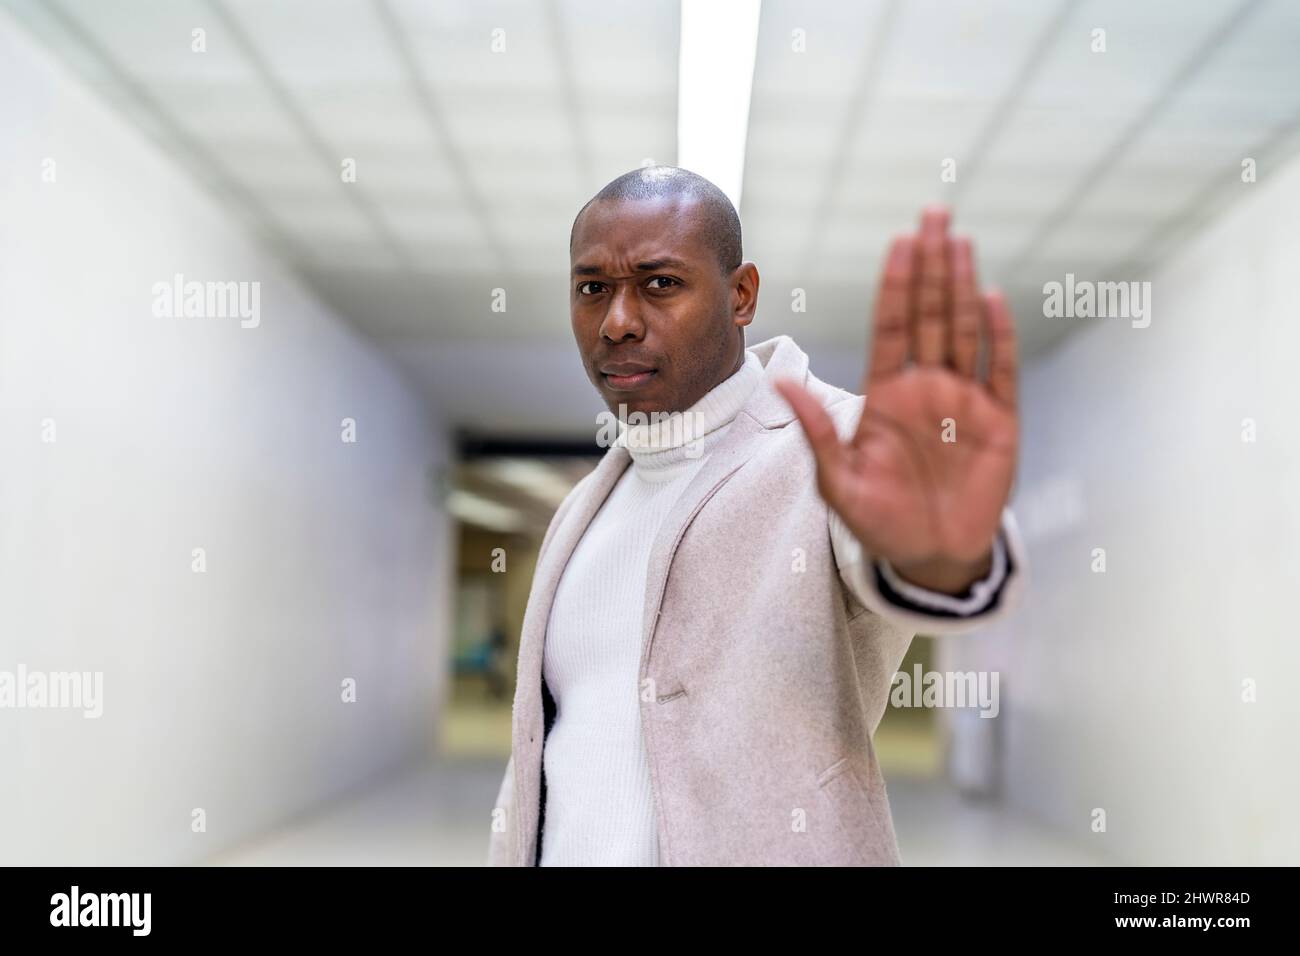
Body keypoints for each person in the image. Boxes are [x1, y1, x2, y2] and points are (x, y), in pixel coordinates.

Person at [487, 165, 1025, 866]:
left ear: (741, 296)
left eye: (660, 284)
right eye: (593, 289)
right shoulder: (586, 510)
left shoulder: (838, 447)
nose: (618, 322)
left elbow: (924, 557)